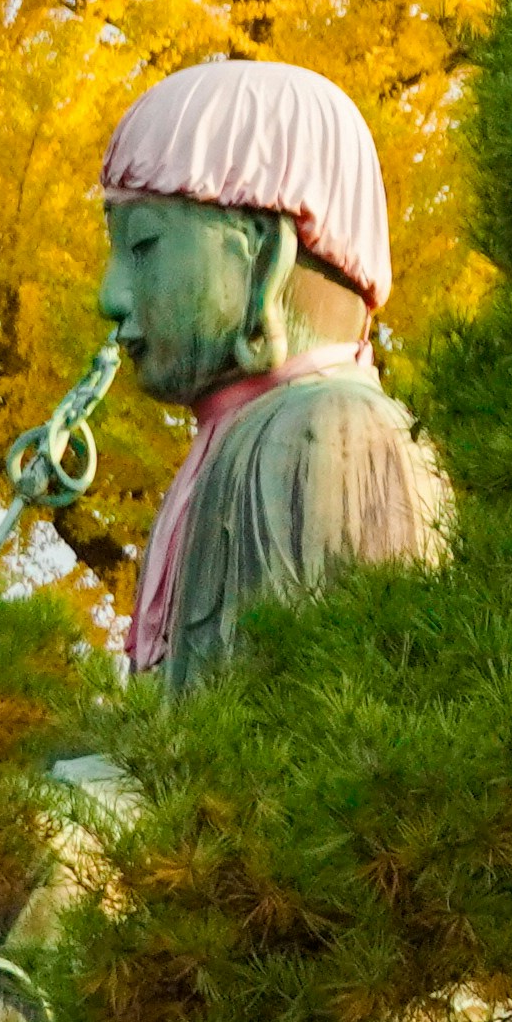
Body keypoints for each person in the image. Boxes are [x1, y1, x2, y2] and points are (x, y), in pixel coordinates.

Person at [87, 56, 451, 694]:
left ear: (264, 253)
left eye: (143, 248)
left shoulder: (331, 432)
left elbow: (282, 755)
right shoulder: (232, 446)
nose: (111, 295)